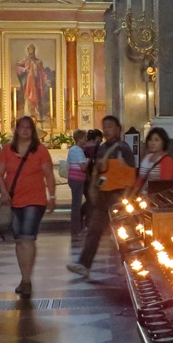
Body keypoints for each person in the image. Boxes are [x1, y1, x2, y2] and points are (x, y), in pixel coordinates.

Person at [66, 115, 135, 279]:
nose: (107, 130)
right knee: (93, 231)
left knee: (122, 232)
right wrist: (93, 188)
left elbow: (132, 173)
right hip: (104, 195)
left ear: (118, 129)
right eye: (105, 127)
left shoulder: (123, 148)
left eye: (110, 126)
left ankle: (128, 264)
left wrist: (128, 195)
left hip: (118, 195)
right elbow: (97, 171)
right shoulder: (102, 148)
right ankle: (84, 265)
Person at [0, 115, 56, 295]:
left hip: (35, 200)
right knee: (19, 240)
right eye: (21, 127)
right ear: (16, 130)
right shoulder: (7, 150)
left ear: (33, 131)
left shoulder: (40, 150)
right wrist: (4, 193)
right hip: (13, 200)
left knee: (28, 238)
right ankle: (24, 277)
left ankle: (27, 280)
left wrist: (52, 195)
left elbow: (49, 175)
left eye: (28, 128)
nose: (24, 130)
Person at [129, 127, 173, 196]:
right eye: (150, 140)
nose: (152, 143)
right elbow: (140, 179)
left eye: (156, 140)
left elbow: (165, 184)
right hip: (141, 197)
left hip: (156, 197)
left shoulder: (167, 160)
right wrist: (131, 196)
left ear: (163, 142)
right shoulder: (146, 158)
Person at [15, 44, 49, 121]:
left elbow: (42, 72)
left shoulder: (39, 61)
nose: (31, 53)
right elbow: (17, 66)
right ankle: (28, 114)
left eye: (32, 51)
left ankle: (36, 114)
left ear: (34, 52)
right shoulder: (25, 60)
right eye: (29, 52)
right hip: (29, 83)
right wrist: (24, 70)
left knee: (37, 98)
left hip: (37, 82)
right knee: (29, 97)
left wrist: (46, 80)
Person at [66, 129, 88, 239]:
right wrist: (89, 162)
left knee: (76, 205)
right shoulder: (78, 150)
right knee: (76, 206)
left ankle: (76, 228)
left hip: (73, 179)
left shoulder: (72, 149)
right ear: (79, 139)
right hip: (77, 179)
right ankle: (76, 229)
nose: (86, 140)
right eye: (84, 138)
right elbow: (83, 167)